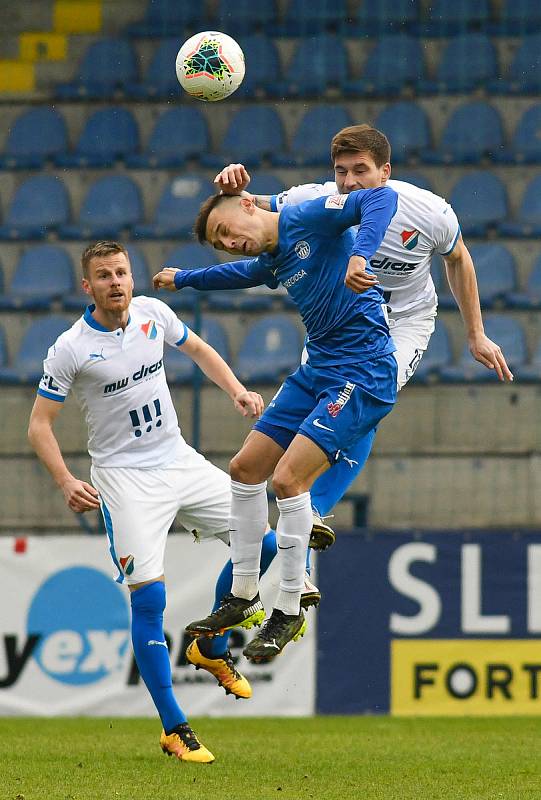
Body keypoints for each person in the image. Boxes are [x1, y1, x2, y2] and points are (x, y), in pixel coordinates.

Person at [155, 124, 512, 554]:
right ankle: (292, 542)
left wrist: (476, 333)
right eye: (341, 171)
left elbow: (458, 259)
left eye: (360, 170)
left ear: (386, 170)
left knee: (372, 388)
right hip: (339, 324)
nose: (349, 182)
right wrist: (236, 184)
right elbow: (256, 215)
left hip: (403, 319)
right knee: (319, 409)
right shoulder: (318, 199)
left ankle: (316, 506)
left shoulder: (429, 212)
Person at [27, 241, 268, 764]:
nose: (116, 282)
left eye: (121, 272)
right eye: (103, 275)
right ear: (86, 286)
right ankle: (174, 727)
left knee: (263, 541)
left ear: (131, 278)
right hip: (125, 481)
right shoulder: (71, 348)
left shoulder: (154, 314)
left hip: (178, 460)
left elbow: (200, 350)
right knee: (150, 601)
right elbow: (39, 425)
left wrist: (237, 390)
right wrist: (67, 480)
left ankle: (211, 643)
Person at [163, 183, 399, 664]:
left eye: (227, 230)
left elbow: (379, 198)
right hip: (320, 369)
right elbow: (241, 274)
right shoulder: (273, 257)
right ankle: (244, 593)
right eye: (220, 241)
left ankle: (288, 607)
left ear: (249, 204)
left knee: (288, 479)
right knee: (245, 468)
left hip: (363, 370)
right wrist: (187, 278)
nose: (230, 242)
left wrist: (363, 256)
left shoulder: (307, 215)